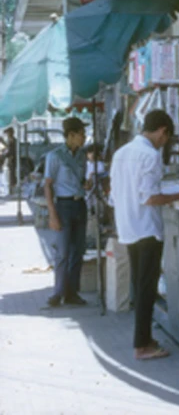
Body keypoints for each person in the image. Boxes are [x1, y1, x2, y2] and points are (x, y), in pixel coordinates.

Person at [110, 110, 179, 360]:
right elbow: (149, 197)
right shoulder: (150, 155)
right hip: (146, 228)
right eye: (165, 137)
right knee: (147, 287)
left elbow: (115, 195)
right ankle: (142, 346)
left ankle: (144, 337)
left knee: (140, 285)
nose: (164, 143)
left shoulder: (121, 153)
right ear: (162, 131)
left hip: (128, 226)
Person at [44, 117, 89, 307]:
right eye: (81, 134)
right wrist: (52, 214)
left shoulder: (82, 156)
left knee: (77, 252)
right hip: (63, 206)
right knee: (62, 252)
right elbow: (47, 186)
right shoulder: (54, 156)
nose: (84, 137)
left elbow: (81, 180)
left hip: (80, 205)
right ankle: (58, 292)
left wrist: (86, 184)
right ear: (70, 135)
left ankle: (72, 293)